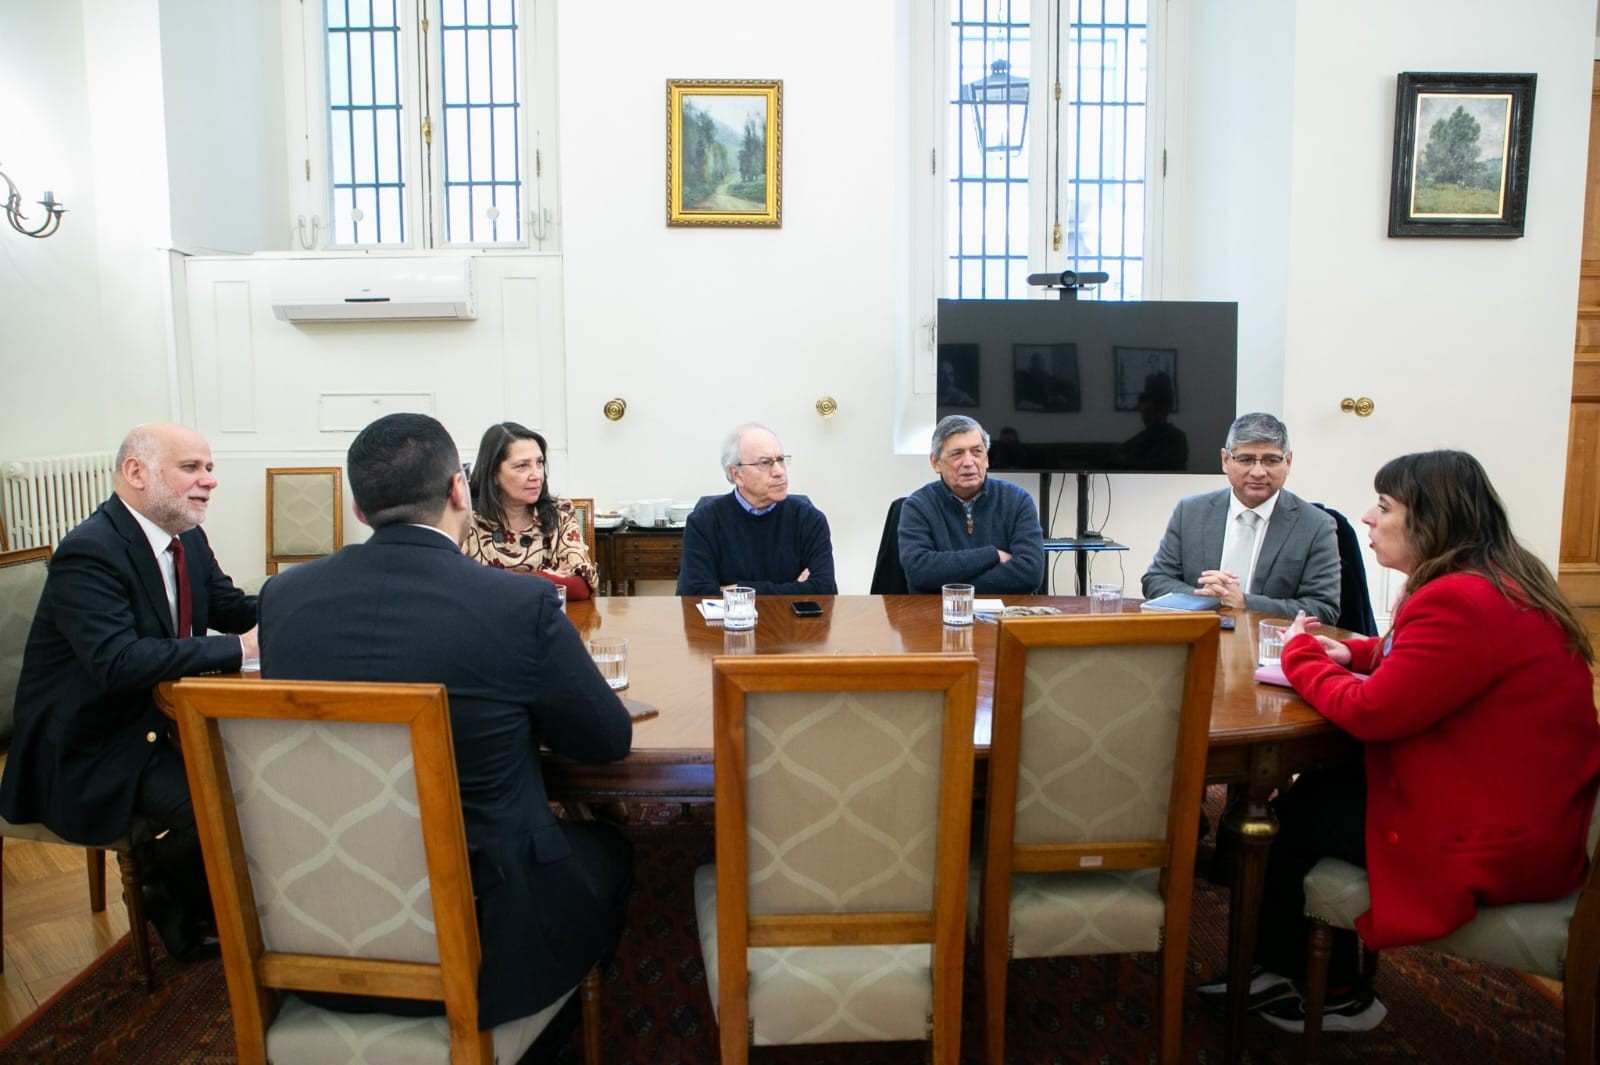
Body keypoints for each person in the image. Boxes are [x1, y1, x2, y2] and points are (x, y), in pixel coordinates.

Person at [258, 413, 633, 1049]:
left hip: (321, 926)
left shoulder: (282, 599)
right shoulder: (516, 605)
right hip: (489, 949)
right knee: (612, 851)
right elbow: (605, 743)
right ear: (460, 489)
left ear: (358, 508)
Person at [1228, 450, 1600, 1033]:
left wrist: (1299, 654)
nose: (1367, 518)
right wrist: (1354, 652)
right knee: (1318, 796)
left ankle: (1337, 994)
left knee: (1285, 825)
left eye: (1383, 506)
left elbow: (1370, 712)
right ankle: (1285, 968)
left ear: (1430, 520)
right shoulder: (1496, 580)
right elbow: (1428, 659)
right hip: (1534, 811)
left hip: (1492, 834)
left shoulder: (1457, 600)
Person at [0, 423, 258, 962]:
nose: (209, 480)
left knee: (256, 783)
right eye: (191, 467)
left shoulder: (186, 536)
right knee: (217, 807)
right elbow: (118, 661)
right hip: (93, 743)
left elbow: (231, 608)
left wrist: (307, 600)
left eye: (210, 468)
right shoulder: (88, 552)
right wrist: (239, 650)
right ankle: (162, 890)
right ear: (136, 472)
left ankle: (201, 900)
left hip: (155, 720)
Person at [1142, 411, 1340, 622]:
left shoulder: (1316, 525)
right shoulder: (1190, 512)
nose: (1258, 472)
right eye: (1246, 460)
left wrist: (1245, 602)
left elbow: (1323, 609)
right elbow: (1155, 580)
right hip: (1199, 634)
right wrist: (1207, 597)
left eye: (1271, 460)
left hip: (1267, 639)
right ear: (1225, 460)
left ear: (1288, 461)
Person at [675, 423, 837, 596]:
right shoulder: (704, 522)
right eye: (765, 463)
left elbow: (823, 589)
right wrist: (794, 588)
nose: (779, 472)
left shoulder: (809, 519)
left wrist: (736, 589)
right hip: (732, 617)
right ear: (736, 474)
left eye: (780, 460)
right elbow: (695, 595)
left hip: (789, 616)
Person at [898, 414, 1045, 594]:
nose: (969, 462)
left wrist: (947, 582)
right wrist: (993, 555)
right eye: (957, 454)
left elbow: (1030, 573)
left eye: (976, 452)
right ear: (935, 463)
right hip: (938, 609)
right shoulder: (918, 506)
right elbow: (920, 572)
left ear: (987, 459)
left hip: (1004, 609)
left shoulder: (1017, 501)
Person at [463, 421, 597, 599]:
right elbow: (458, 585)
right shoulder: (466, 518)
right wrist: (545, 577)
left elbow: (581, 587)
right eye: (522, 466)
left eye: (539, 463)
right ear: (494, 474)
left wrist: (494, 581)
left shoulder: (560, 513)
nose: (537, 475)